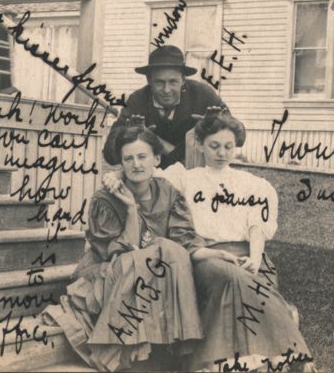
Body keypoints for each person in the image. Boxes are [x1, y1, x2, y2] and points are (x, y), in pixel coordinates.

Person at [103, 108, 314, 372]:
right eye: (214, 146)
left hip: (248, 254)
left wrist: (256, 259)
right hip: (206, 256)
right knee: (232, 276)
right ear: (200, 145)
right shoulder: (185, 177)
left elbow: (257, 226)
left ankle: (241, 363)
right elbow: (143, 171)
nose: (221, 153)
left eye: (228, 146)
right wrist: (116, 175)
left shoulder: (253, 184)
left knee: (247, 278)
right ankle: (292, 356)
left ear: (236, 147)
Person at [44, 117, 240, 372]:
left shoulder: (167, 191)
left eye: (142, 157)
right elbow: (122, 252)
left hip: (154, 272)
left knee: (170, 251)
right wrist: (130, 209)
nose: (136, 165)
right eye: (128, 159)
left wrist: (215, 253)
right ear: (121, 164)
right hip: (108, 269)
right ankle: (133, 353)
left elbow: (184, 239)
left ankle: (168, 347)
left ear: (156, 160)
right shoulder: (105, 197)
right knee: (161, 252)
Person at [102, 45, 227, 169]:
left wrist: (219, 125)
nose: (166, 90)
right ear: (149, 80)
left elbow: (240, 138)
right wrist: (127, 136)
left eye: (173, 82)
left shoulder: (203, 95)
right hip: (152, 178)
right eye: (159, 82)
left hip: (194, 174)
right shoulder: (137, 100)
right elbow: (110, 156)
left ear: (183, 80)